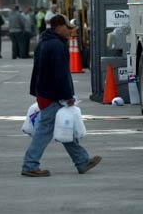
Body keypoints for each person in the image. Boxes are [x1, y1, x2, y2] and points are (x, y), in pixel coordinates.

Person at [21, 14, 102, 177]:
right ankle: (30, 165)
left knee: (66, 127)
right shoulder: (57, 46)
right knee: (45, 131)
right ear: (58, 26)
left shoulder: (44, 42)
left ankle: (82, 161)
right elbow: (61, 74)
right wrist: (67, 95)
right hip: (53, 94)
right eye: (68, 28)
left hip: (45, 92)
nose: (71, 32)